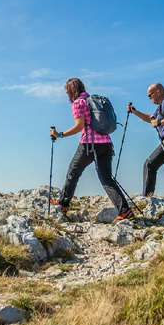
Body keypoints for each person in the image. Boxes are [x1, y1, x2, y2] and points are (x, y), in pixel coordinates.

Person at [50, 78, 135, 220]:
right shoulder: (92, 100)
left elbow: (79, 126)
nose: (67, 95)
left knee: (73, 172)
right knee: (107, 178)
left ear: (71, 91)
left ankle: (63, 203)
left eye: (67, 92)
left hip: (89, 144)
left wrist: (60, 135)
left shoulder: (78, 103)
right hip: (107, 144)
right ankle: (125, 211)